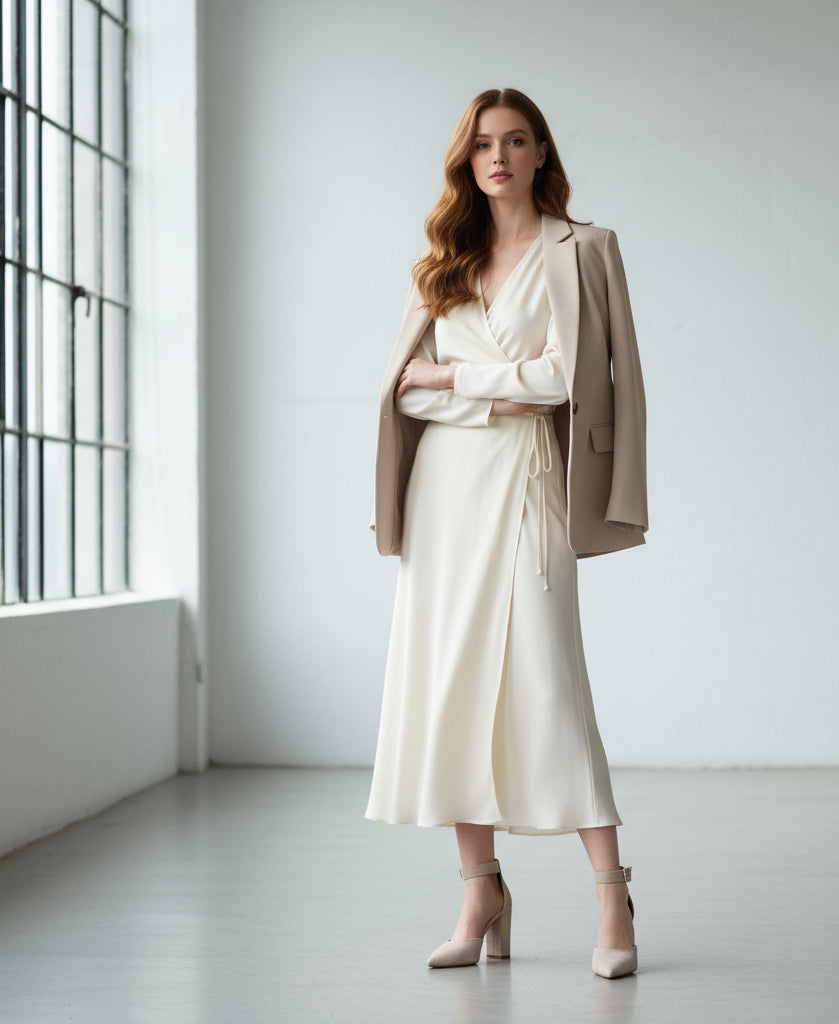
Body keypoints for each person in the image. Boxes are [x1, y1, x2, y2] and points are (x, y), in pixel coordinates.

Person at [366, 87, 648, 979]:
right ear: (468, 160)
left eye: (515, 140)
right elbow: (400, 389)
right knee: (450, 686)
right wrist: (485, 380)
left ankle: (614, 896)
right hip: (444, 494)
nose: (499, 156)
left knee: (549, 682)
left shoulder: (585, 250)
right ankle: (480, 888)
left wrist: (452, 376)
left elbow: (567, 379)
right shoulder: (441, 263)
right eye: (484, 143)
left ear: (538, 153)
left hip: (529, 484)